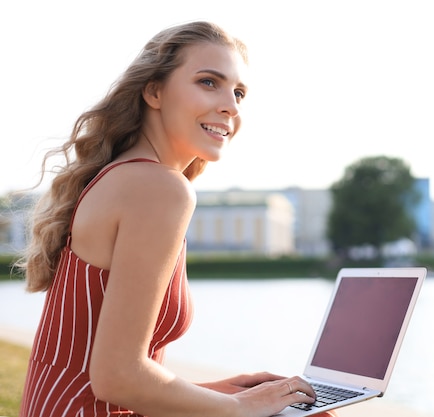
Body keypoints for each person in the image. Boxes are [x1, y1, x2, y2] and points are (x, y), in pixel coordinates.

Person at [16, 21, 338, 417]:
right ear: (153, 91)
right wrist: (238, 408)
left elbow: (95, 377)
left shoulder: (125, 177)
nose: (231, 106)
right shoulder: (158, 188)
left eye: (238, 93)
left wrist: (227, 393)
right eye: (208, 82)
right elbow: (116, 377)